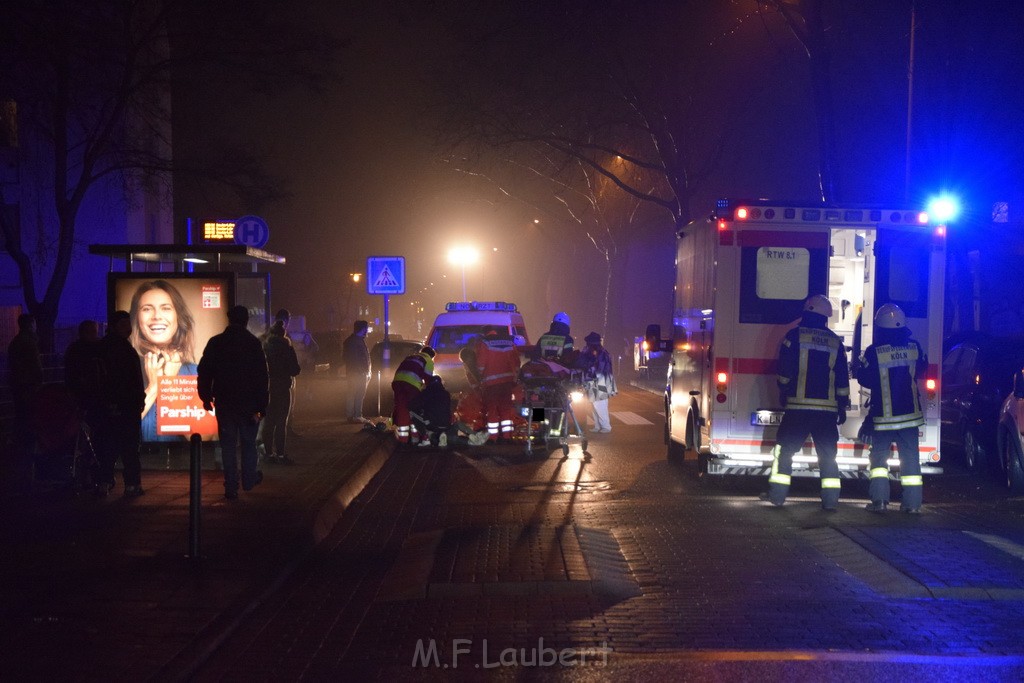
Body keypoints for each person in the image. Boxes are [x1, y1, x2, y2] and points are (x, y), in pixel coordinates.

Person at [763, 295, 850, 510]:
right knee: (828, 458)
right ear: (825, 317)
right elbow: (841, 377)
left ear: (807, 313)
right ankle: (830, 503)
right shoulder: (835, 342)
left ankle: (777, 496)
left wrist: (783, 389)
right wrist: (842, 404)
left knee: (784, 452)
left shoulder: (793, 336)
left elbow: (785, 369)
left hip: (798, 409)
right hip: (826, 412)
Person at [857, 303, 928, 514]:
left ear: (881, 328)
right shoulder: (914, 347)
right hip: (910, 418)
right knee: (911, 462)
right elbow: (922, 370)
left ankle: (879, 502)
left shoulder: (873, 352)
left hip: (883, 418)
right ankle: (913, 505)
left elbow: (864, 378)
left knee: (879, 461)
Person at [198, 305, 269, 500]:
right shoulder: (253, 344)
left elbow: (204, 372)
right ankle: (248, 479)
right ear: (246, 320)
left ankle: (231, 486)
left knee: (228, 445)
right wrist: (261, 407)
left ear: (229, 320)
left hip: (225, 403)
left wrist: (205, 397)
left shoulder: (217, 342)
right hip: (248, 404)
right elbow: (262, 378)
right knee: (248, 443)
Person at [128, 280, 197, 442]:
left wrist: (170, 384)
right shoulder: (127, 368)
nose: (157, 316)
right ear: (136, 318)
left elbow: (199, 436)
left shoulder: (195, 372)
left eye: (166, 308)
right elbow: (121, 427)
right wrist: (154, 387)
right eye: (146, 309)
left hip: (179, 463)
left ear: (178, 317)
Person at [93, 311, 147, 498]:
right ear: (115, 326)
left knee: (107, 445)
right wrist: (139, 400)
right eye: (124, 324)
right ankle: (132, 484)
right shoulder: (124, 350)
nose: (128, 328)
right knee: (130, 447)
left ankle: (104, 481)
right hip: (126, 406)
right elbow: (132, 379)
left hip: (106, 406)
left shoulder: (101, 349)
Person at [8, 313, 43, 492]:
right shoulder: (29, 342)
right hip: (28, 387)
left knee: (21, 419)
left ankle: (20, 444)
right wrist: (39, 381)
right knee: (28, 420)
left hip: (19, 386)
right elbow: (35, 366)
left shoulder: (15, 343)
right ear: (31, 324)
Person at [257, 320, 301, 464]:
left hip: (267, 388)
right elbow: (295, 369)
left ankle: (269, 454)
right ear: (284, 334)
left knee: (268, 421)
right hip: (283, 388)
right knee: (281, 422)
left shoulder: (264, 348)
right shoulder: (287, 348)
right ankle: (281, 455)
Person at [474, 325, 522, 443]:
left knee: (492, 410)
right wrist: (514, 376)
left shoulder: (485, 343)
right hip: (507, 382)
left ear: (485, 333)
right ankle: (506, 436)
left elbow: (481, 364)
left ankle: (493, 437)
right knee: (506, 409)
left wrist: (479, 377)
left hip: (491, 383)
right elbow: (517, 362)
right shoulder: (509, 342)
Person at [391, 346, 435, 445]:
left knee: (402, 409)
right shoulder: (428, 360)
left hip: (397, 382)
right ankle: (415, 438)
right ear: (431, 356)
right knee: (414, 411)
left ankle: (403, 440)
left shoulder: (411, 357)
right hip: (411, 385)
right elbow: (428, 379)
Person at [579, 331, 617, 433]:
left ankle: (605, 426)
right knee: (594, 404)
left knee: (599, 405)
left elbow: (597, 369)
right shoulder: (599, 352)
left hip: (600, 382)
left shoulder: (600, 353)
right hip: (598, 381)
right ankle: (598, 425)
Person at [409, 374, 454, 448]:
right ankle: (438, 436)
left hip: (432, 423)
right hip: (446, 424)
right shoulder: (446, 393)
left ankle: (425, 438)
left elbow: (414, 405)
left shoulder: (426, 392)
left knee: (412, 413)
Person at [342, 319, 371, 423]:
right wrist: (363, 371)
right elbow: (357, 359)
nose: (367, 331)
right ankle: (357, 415)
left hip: (353, 372)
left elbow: (346, 358)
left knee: (352, 394)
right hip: (358, 373)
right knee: (358, 394)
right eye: (366, 328)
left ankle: (351, 415)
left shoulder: (351, 341)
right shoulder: (357, 341)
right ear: (362, 329)